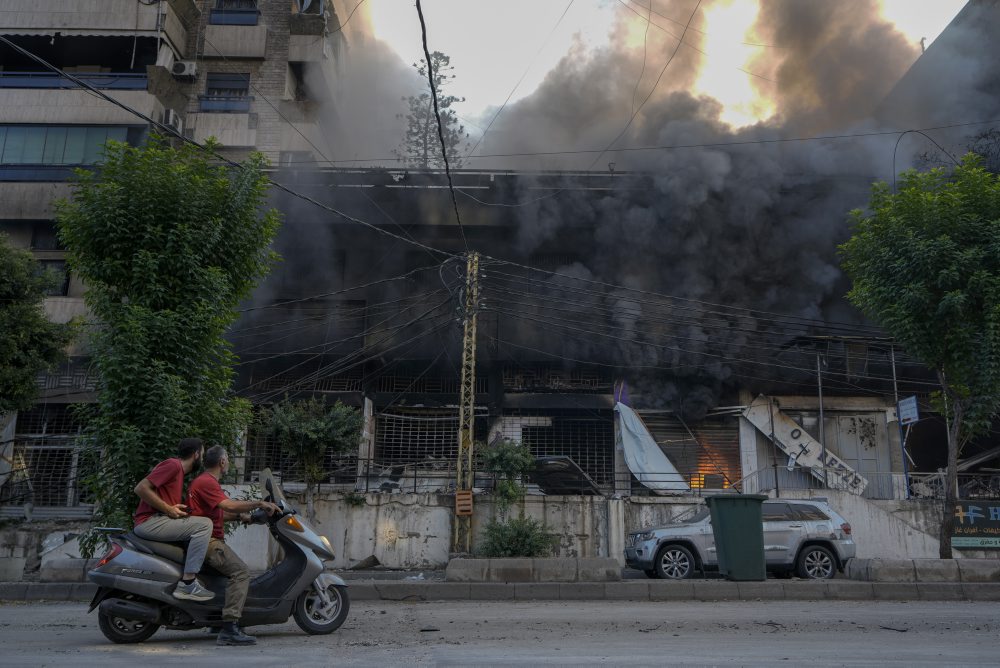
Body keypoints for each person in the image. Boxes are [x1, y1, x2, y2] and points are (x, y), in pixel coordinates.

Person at [187, 444, 279, 646]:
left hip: (206, 540)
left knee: (224, 579)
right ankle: (229, 628)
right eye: (227, 458)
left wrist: (241, 517)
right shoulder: (207, 482)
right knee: (241, 573)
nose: (228, 462)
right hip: (209, 543)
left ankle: (217, 621)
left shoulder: (204, 481)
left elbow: (218, 512)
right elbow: (227, 504)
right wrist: (259, 503)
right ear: (222, 462)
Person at [133, 437, 215, 602]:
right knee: (205, 525)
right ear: (196, 454)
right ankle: (188, 584)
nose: (203, 458)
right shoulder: (173, 465)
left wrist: (174, 508)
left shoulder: (178, 472)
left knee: (198, 522)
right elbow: (141, 488)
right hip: (149, 521)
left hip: (157, 520)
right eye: (203, 453)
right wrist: (168, 509)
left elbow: (161, 499)